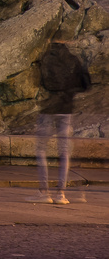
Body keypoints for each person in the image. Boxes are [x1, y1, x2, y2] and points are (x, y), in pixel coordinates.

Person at [36, 39, 90, 203]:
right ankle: (61, 193)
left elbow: (43, 83)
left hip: (50, 108)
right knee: (64, 151)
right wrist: (70, 93)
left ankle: (44, 191)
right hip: (66, 108)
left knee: (41, 149)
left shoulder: (47, 58)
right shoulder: (73, 59)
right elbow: (86, 85)